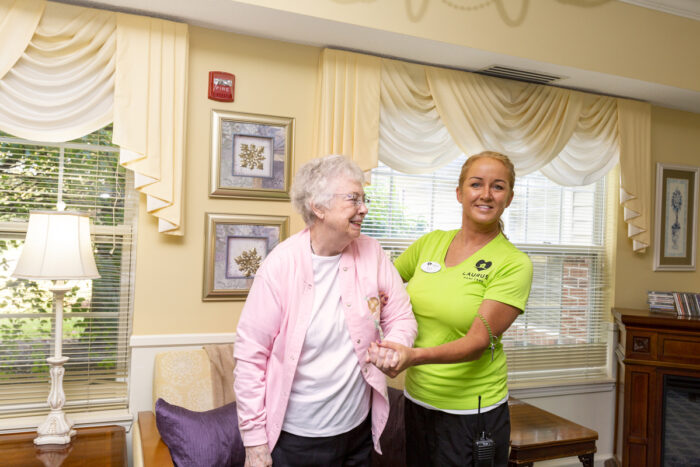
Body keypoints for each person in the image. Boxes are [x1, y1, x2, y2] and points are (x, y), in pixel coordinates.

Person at [234, 154, 417, 467]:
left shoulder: (372, 253)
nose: (364, 208)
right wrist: (255, 443)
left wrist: (396, 346)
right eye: (353, 199)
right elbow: (251, 356)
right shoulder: (280, 266)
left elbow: (400, 317)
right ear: (317, 207)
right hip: (296, 441)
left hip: (357, 432)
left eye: (364, 199)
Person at [367, 151, 533, 466]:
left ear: (509, 198)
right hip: (418, 402)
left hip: (471, 413)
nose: (486, 194)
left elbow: (476, 343)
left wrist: (411, 357)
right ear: (459, 193)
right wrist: (379, 304)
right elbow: (379, 285)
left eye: (497, 187)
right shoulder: (430, 243)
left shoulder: (514, 264)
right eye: (476, 184)